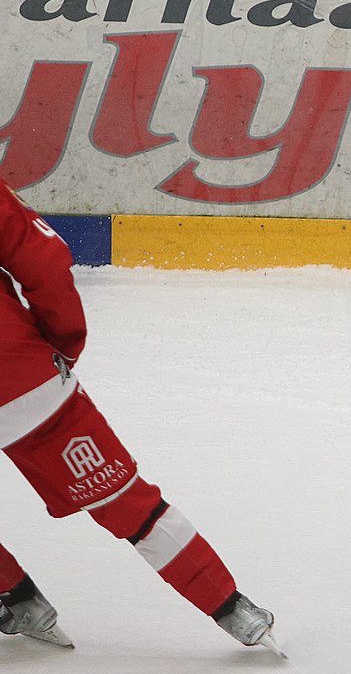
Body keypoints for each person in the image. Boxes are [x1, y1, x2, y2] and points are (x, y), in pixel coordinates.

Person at [0, 179, 280, 654]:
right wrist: (63, 343)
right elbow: (42, 258)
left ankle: (16, 597)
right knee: (126, 503)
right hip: (20, 377)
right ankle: (232, 609)